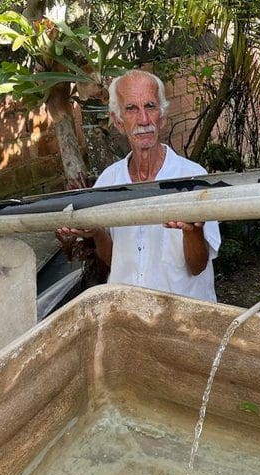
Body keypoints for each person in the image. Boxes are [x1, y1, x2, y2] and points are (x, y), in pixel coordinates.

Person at [57, 70, 220, 302]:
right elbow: (115, 259)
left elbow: (197, 267)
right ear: (118, 121)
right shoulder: (108, 181)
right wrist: (97, 233)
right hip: (129, 316)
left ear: (162, 117)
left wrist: (192, 230)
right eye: (131, 109)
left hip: (183, 319)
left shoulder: (193, 177)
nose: (143, 119)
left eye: (150, 106)